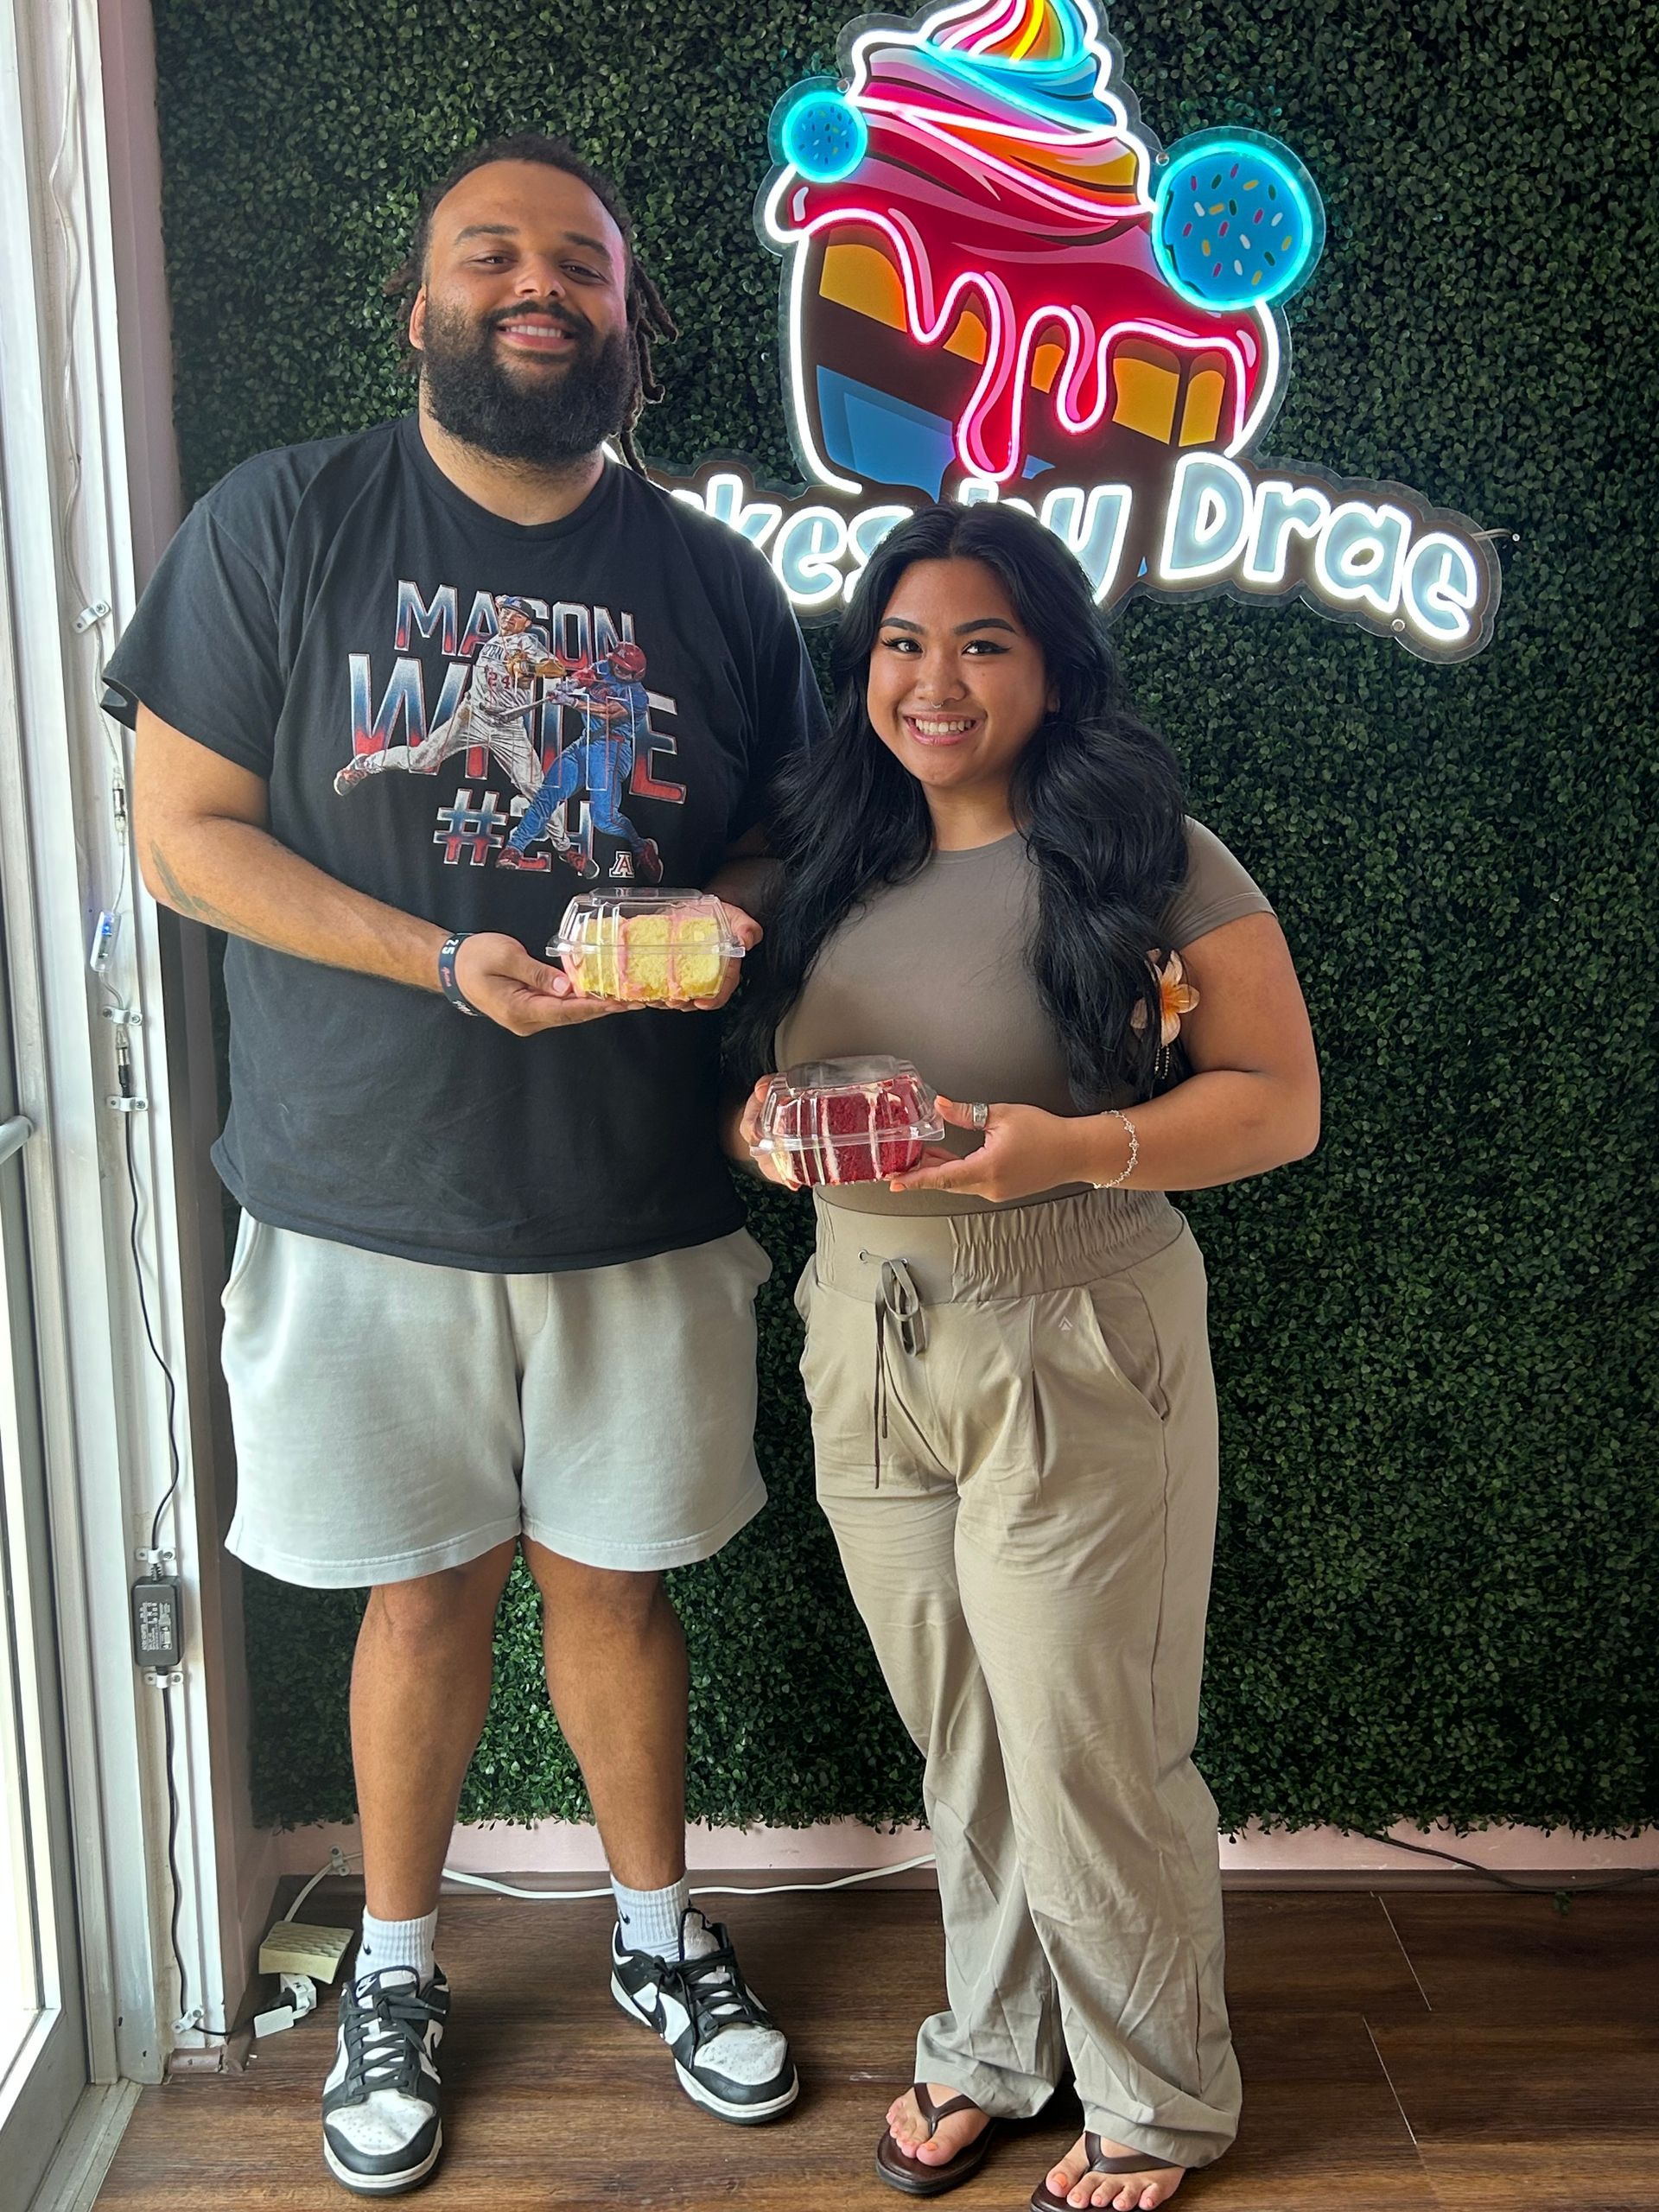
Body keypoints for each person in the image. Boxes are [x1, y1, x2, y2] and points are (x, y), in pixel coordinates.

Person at [106, 133, 824, 2196]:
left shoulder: (710, 574)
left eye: (579, 263)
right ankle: (401, 1970)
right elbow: (188, 831)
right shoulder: (285, 522)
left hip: (640, 1186)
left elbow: (781, 834)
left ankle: (660, 1934)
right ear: (420, 310)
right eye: (492, 256)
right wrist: (439, 954)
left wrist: (723, 922)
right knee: (416, 1603)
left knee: (620, 1585)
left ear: (628, 321)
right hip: (360, 1184)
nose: (540, 285)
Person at [730, 503, 1320, 2212]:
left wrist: (1064, 1146)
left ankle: (1157, 2092)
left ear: (1053, 669)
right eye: (904, 644)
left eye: (982, 641)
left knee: (1086, 1729)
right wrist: (762, 1122)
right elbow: (749, 1098)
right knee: (966, 1731)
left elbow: (1277, 1104)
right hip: (864, 1330)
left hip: (1073, 1319)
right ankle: (1000, 2041)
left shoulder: (1152, 857)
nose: (935, 678)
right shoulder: (827, 855)